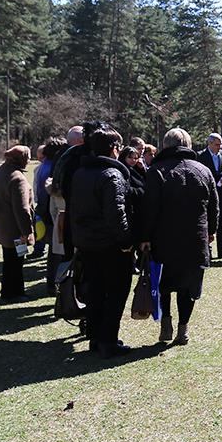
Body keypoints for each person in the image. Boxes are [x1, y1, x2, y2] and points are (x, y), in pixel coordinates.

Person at [139, 128, 217, 347]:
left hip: (164, 238)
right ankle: (183, 328)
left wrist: (144, 236)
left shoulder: (156, 171)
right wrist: (211, 231)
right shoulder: (203, 170)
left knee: (163, 282)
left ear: (165, 145)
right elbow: (214, 206)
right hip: (195, 238)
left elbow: (149, 208)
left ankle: (166, 322)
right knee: (188, 287)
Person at [70, 128, 137, 357]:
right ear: (114, 149)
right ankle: (107, 340)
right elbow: (117, 214)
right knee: (116, 292)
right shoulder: (112, 175)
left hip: (87, 243)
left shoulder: (80, 172)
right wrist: (127, 241)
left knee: (96, 291)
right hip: (110, 246)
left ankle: (96, 337)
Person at [0, 144, 35, 299]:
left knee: (9, 261)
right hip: (16, 231)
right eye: (28, 157)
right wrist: (27, 233)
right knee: (16, 263)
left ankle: (10, 291)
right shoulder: (18, 178)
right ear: (21, 159)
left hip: (1, 227)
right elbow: (23, 210)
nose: (29, 160)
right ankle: (14, 293)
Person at [197, 133, 222, 259]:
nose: (219, 147)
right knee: (208, 224)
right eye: (217, 144)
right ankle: (208, 252)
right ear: (210, 144)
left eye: (221, 144)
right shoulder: (201, 156)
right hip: (207, 195)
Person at [32, 138, 64, 260]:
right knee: (55, 244)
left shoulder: (43, 165)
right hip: (49, 209)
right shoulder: (52, 167)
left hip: (42, 207)